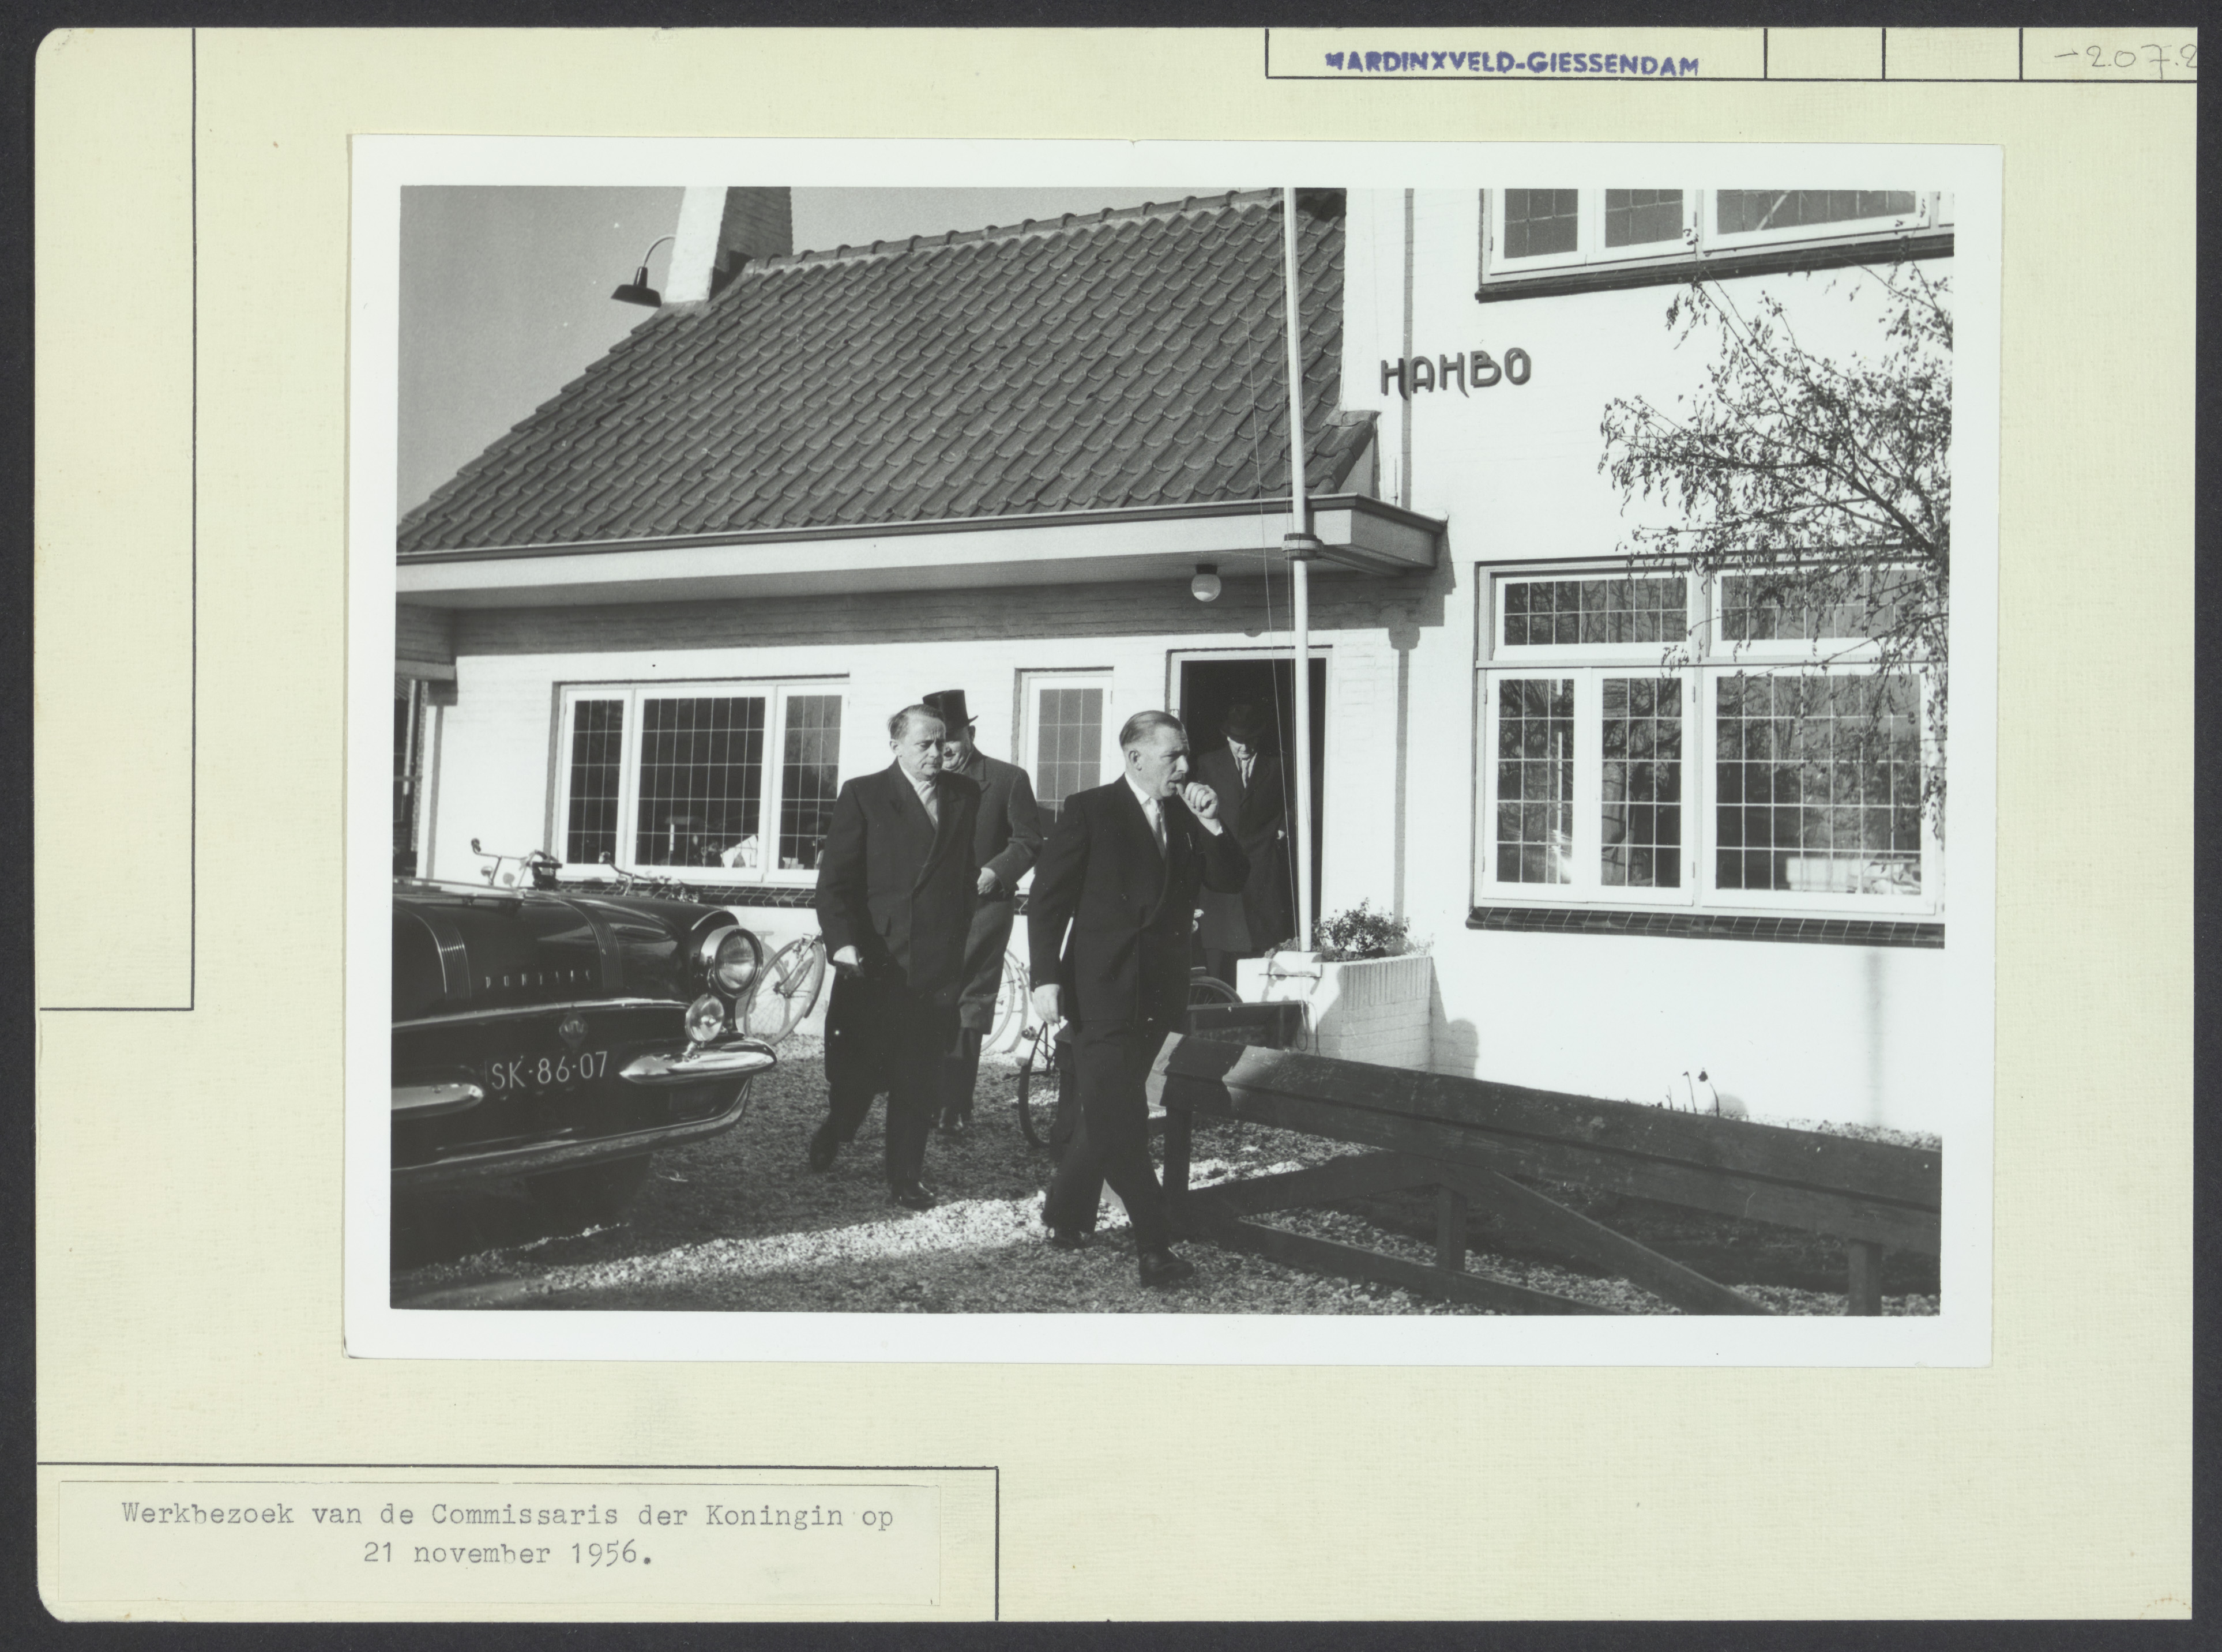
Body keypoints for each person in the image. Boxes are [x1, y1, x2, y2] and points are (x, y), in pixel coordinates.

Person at [1027, 710, 1247, 1286]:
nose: (1184, 766)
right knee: (1120, 1115)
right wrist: (1044, 977)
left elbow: (1231, 879)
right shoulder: (1089, 810)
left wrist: (1213, 822)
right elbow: (1048, 900)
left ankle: (1065, 1212)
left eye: (1185, 754)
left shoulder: (1185, 814)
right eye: (1173, 755)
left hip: (1158, 992)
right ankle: (1154, 1245)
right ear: (1135, 758)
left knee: (1108, 1107)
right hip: (1098, 989)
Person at [809, 705, 982, 1210]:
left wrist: (960, 935)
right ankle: (838, 1127)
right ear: (896, 746)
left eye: (942, 743)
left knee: (919, 1072)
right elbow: (834, 882)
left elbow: (963, 871)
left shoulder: (963, 794)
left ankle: (905, 1176)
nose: (936, 753)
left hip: (935, 962)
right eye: (924, 744)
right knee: (858, 1073)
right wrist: (842, 943)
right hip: (876, 961)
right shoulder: (864, 794)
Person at [922, 688, 1044, 1136]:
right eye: (936, 739)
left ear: (970, 733)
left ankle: (954, 1104)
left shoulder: (1008, 779)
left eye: (952, 737)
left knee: (968, 1002)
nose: (944, 749)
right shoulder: (922, 780)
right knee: (928, 1000)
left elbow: (1027, 840)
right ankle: (926, 1096)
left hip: (982, 910)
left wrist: (996, 872)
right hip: (929, 913)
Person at [1192, 700, 1297, 985]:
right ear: (1227, 737)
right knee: (1219, 956)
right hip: (1221, 871)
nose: (1244, 746)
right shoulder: (1207, 764)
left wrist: (1284, 827)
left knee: (1261, 953)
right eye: (1238, 740)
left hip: (1263, 869)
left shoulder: (1278, 765)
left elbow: (1297, 803)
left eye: (1251, 739)